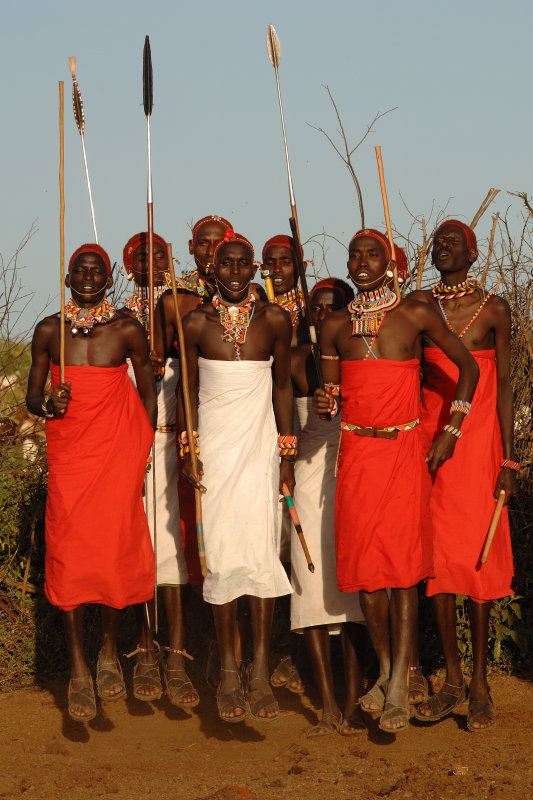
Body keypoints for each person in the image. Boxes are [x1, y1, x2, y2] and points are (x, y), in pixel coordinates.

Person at [313, 228, 479, 732]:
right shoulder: (336, 327)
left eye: (373, 256)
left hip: (406, 449)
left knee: (405, 570)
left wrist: (451, 429)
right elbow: (330, 395)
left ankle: (401, 688)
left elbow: (468, 368)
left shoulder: (416, 314)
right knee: (366, 573)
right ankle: (387, 672)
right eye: (354, 256)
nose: (361, 263)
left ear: (390, 264)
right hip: (358, 454)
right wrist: (326, 402)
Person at [26, 244, 157, 722]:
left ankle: (107, 653)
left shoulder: (126, 329)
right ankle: (78, 670)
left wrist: (141, 446)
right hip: (71, 459)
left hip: (117, 455)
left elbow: (148, 390)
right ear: (66, 277)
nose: (86, 277)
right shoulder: (48, 331)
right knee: (70, 554)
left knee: (112, 550)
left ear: (108, 279)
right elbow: (33, 399)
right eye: (79, 270)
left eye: (95, 270)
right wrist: (51, 405)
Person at [181, 230, 293, 723]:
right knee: (223, 558)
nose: (232, 272)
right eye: (223, 264)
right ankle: (228, 673)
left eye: (241, 264)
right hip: (216, 456)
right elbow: (185, 392)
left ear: (255, 270)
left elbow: (284, 386)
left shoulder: (274, 320)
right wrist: (189, 447)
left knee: (261, 552)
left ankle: (261, 671)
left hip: (260, 450)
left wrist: (286, 454)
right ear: (212, 269)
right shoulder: (195, 323)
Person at [411, 219, 516, 731]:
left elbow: (508, 390)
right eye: (438, 243)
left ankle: (480, 684)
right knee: (438, 564)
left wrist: (510, 461)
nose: (444, 248)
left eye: (454, 243)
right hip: (431, 443)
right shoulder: (419, 307)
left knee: (475, 563)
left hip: (477, 450)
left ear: (474, 255)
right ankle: (451, 679)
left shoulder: (494, 308)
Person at [121, 231, 198, 708]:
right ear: (129, 267)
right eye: (141, 258)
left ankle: (177, 655)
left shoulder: (184, 307)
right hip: (128, 447)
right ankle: (143, 650)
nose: (151, 263)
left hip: (172, 444)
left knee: (172, 549)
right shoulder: (117, 319)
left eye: (160, 255)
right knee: (136, 547)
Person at [290, 277, 368, 738]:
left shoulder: (361, 356)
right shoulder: (297, 361)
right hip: (306, 479)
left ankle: (354, 703)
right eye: (316, 308)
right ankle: (326, 707)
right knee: (311, 588)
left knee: (353, 593)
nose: (323, 315)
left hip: (353, 477)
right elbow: (281, 418)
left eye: (333, 306)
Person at [262, 234, 306, 347]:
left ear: (302, 268)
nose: (277, 269)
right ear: (262, 269)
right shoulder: (255, 310)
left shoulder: (311, 310)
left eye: (286, 262)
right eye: (270, 264)